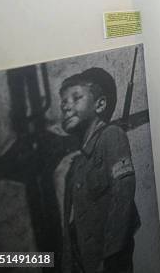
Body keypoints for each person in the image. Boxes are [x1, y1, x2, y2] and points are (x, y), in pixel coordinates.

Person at [59, 68, 139, 273]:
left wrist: (110, 258)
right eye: (63, 102)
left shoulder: (111, 136)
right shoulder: (77, 166)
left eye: (75, 98)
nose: (65, 107)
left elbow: (124, 193)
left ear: (100, 104)